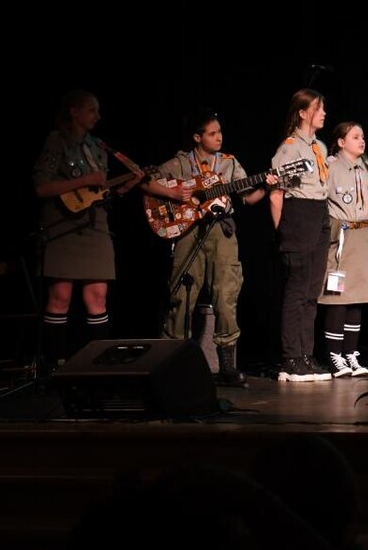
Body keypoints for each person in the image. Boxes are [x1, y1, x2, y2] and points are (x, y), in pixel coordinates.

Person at [32, 89, 182, 369]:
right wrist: (85, 180)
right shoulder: (57, 141)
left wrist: (126, 185)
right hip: (63, 225)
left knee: (98, 298)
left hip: (95, 226)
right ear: (74, 112)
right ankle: (54, 365)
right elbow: (42, 187)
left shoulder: (98, 146)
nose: (98, 116)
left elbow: (100, 193)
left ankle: (97, 366)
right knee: (60, 297)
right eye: (91, 110)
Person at [144, 108, 276, 387]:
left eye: (220, 132)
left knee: (226, 294)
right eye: (212, 133)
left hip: (221, 231)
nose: (219, 137)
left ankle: (227, 365)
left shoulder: (228, 163)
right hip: (189, 232)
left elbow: (248, 198)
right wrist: (172, 193)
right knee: (182, 294)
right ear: (197, 137)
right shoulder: (180, 163)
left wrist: (267, 186)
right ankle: (173, 360)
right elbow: (145, 181)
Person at [268, 88, 333, 383]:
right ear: (303, 113)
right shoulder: (290, 147)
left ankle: (306, 355)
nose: (323, 113)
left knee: (311, 291)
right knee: (297, 289)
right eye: (318, 108)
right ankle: (291, 358)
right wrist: (283, 230)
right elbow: (276, 193)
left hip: (319, 211)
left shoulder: (320, 146)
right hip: (299, 214)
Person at [320, 121, 368, 378]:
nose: (361, 140)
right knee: (338, 297)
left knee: (358, 297)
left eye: (362, 136)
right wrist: (330, 231)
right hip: (341, 239)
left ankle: (350, 354)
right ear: (341, 142)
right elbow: (321, 201)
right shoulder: (330, 166)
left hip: (362, 239)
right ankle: (334, 355)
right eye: (355, 137)